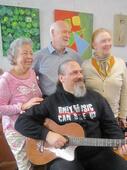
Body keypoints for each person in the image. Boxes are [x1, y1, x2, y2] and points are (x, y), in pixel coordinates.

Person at [15, 60, 127, 170]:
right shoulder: (51, 101)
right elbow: (21, 122)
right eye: (74, 72)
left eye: (80, 72)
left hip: (97, 153)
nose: (80, 76)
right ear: (61, 78)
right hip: (62, 156)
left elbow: (110, 125)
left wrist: (120, 141)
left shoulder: (96, 98)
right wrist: (47, 135)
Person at [0, 38, 43, 170]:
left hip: (34, 124)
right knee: (25, 166)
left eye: (31, 53)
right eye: (25, 53)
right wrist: (23, 106)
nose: (30, 57)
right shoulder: (6, 80)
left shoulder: (32, 73)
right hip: (15, 129)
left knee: (40, 160)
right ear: (14, 55)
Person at [82, 28, 127, 129]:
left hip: (114, 118)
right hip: (91, 119)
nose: (107, 43)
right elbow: (81, 93)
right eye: (103, 41)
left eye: (109, 40)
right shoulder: (85, 66)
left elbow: (125, 91)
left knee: (113, 144)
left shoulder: (121, 64)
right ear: (94, 45)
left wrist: (123, 116)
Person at [33, 20, 82, 97]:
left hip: (72, 101)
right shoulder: (38, 56)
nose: (68, 36)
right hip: (49, 102)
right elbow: (28, 80)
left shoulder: (76, 56)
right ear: (53, 33)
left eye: (69, 33)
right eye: (64, 32)